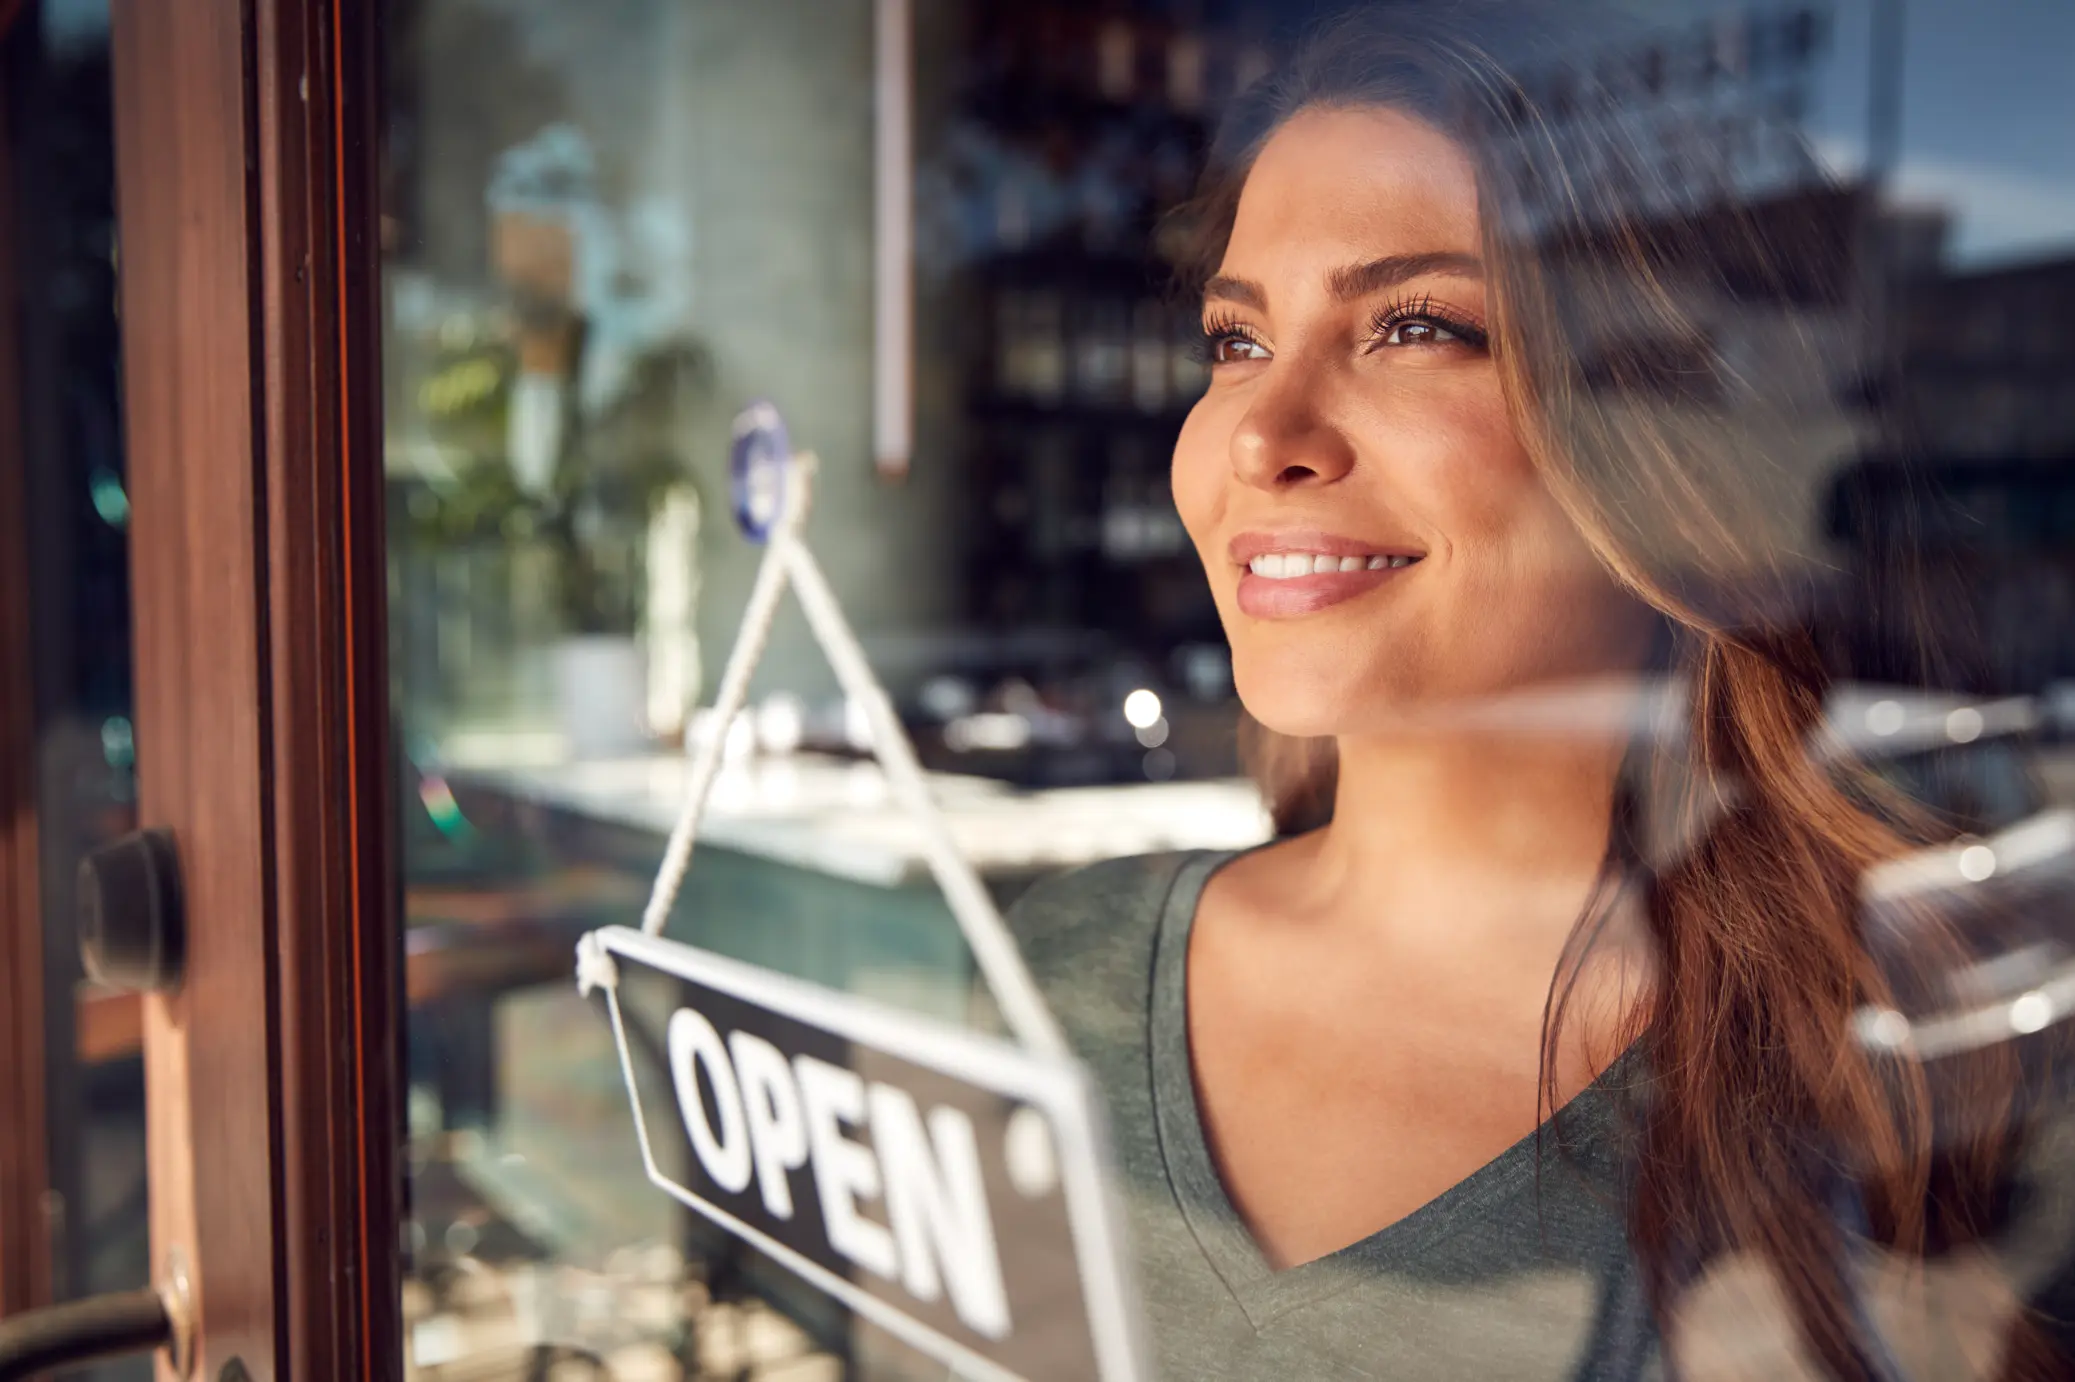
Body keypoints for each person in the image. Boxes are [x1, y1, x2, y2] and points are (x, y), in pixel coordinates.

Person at [1006, 5, 2075, 1378]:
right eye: (1235, 340)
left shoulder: (1947, 1060)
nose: (1261, 435)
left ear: (1665, 435)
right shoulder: (1061, 977)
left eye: (1412, 325)